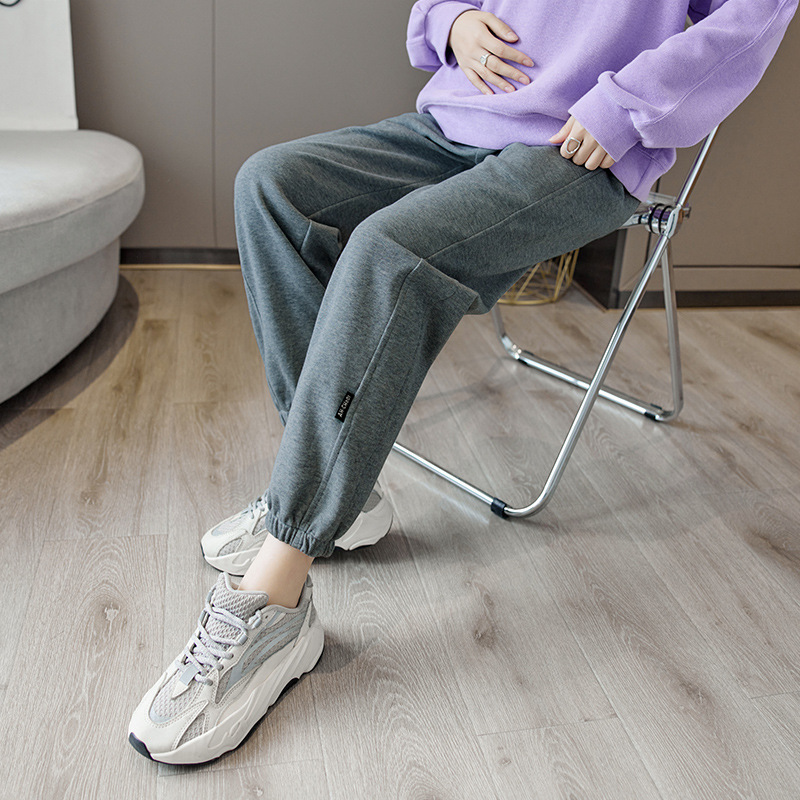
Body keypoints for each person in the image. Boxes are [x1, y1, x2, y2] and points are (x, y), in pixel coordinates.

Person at [128, 0, 797, 764]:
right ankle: (335, 494)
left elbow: (750, 18)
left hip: (580, 146)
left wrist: (626, 106)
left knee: (388, 252)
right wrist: (447, 22)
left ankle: (277, 597)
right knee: (271, 186)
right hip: (458, 121)